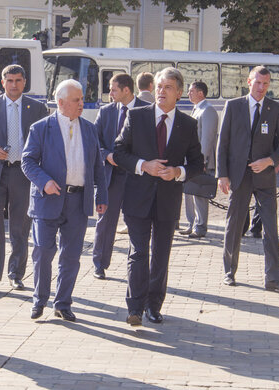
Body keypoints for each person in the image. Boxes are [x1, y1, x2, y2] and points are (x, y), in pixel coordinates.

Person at [113, 67, 204, 326]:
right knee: (138, 252)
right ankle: (135, 307)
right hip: (137, 198)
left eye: (168, 88)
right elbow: (119, 152)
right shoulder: (137, 115)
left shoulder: (188, 124)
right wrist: (144, 165)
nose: (162, 91)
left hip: (167, 199)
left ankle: (154, 306)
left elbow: (198, 163)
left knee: (161, 254)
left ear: (178, 93)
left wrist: (178, 171)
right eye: (159, 86)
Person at [22, 79, 107, 322]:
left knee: (71, 256)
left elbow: (97, 166)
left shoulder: (89, 129)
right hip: (48, 199)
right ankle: (39, 299)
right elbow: (28, 161)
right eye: (76, 100)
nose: (82, 103)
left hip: (78, 201)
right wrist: (44, 181)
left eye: (82, 99)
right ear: (61, 103)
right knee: (43, 252)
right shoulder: (40, 128)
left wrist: (101, 196)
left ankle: (63, 302)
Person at [216, 66, 279, 291]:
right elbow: (223, 143)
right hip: (239, 176)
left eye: (266, 84)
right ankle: (229, 272)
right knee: (234, 225)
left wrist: (270, 160)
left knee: (270, 227)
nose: (262, 88)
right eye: (258, 83)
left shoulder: (275, 109)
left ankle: (274, 278)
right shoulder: (233, 106)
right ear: (249, 82)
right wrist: (222, 174)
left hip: (265, 177)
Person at [0, 64, 47, 290]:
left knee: (20, 226)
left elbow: (44, 141)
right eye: (9, 80)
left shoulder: (37, 108)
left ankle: (16, 273)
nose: (14, 85)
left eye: (18, 80)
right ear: (2, 82)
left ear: (24, 82)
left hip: (23, 174)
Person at [92, 73, 149, 280]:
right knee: (106, 221)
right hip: (112, 176)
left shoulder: (146, 110)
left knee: (137, 224)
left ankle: (137, 267)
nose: (110, 93)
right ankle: (99, 263)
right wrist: (106, 155)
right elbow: (94, 141)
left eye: (113, 89)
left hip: (137, 177)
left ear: (127, 90)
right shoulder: (106, 112)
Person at [180, 81, 219, 238]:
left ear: (201, 93)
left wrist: (202, 161)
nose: (188, 94)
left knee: (200, 194)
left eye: (191, 91)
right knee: (190, 192)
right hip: (191, 160)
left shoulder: (208, 110)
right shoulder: (197, 109)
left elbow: (207, 138)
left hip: (200, 161)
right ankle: (192, 223)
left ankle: (200, 226)